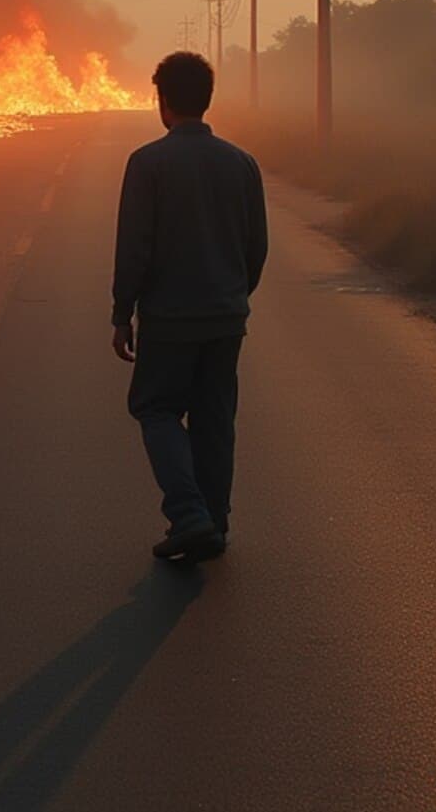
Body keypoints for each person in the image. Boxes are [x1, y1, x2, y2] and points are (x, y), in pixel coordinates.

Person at [110, 51, 268, 562]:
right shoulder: (242, 163)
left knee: (155, 408)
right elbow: (256, 247)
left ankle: (188, 513)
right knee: (215, 419)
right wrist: (233, 298)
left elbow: (135, 247)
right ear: (207, 98)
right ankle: (214, 524)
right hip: (225, 319)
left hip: (170, 319)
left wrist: (122, 313)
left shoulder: (147, 163)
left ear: (162, 103)